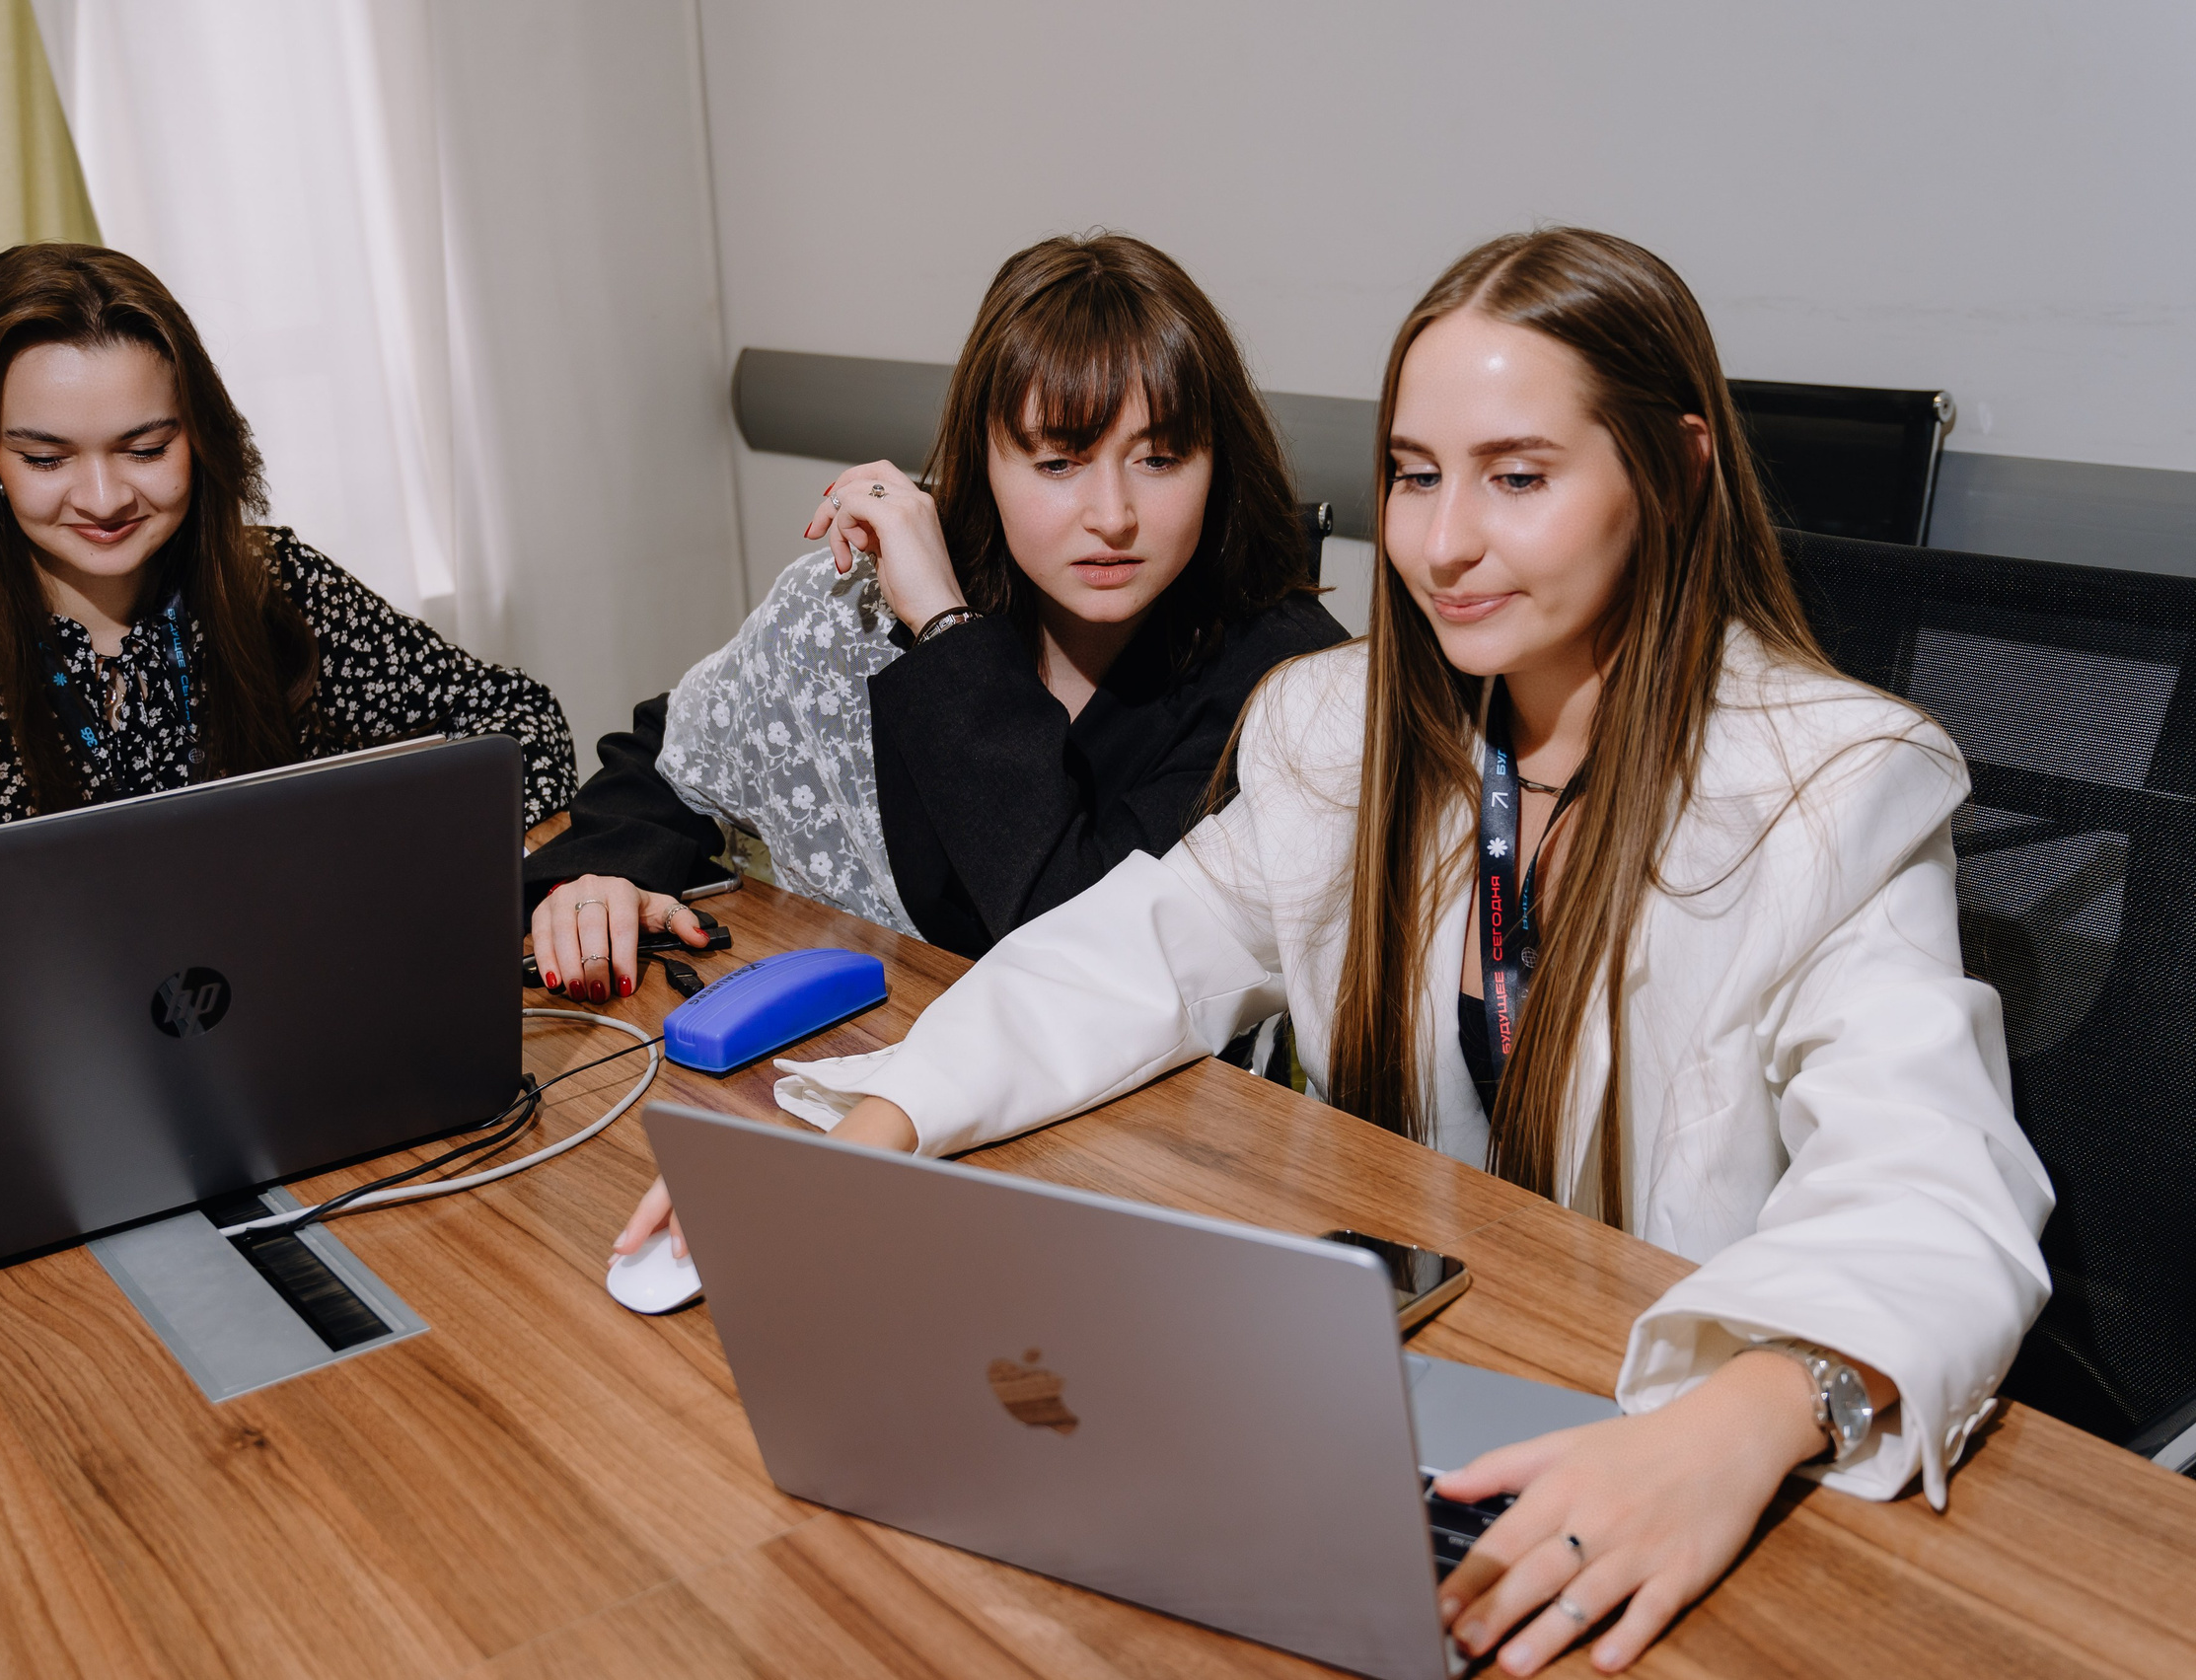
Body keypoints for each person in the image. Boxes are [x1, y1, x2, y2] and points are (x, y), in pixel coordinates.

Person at [729, 230, 2054, 1675]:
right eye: (1417, 474)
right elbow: (1137, 950)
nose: (1440, 542)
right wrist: (878, 1126)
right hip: (1440, 1363)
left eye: (1518, 476)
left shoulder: (1834, 787)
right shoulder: (1339, 727)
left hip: (1675, 1413)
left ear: (1674, 473)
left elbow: (1936, 1186)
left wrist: (1728, 1430)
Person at [0, 243, 577, 1093]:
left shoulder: (272, 589)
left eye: (146, 449)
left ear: (202, 439)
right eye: (45, 457)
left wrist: (405, 876)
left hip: (270, 1057)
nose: (104, 499)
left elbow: (514, 727)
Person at [526, 231, 1347, 1005]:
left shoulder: (1292, 686)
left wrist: (947, 630)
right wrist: (598, 877)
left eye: (1160, 459)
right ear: (983, 461)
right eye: (1058, 461)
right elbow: (671, 753)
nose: (1113, 515)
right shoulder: (873, 603)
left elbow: (1070, 937)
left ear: (1217, 463)